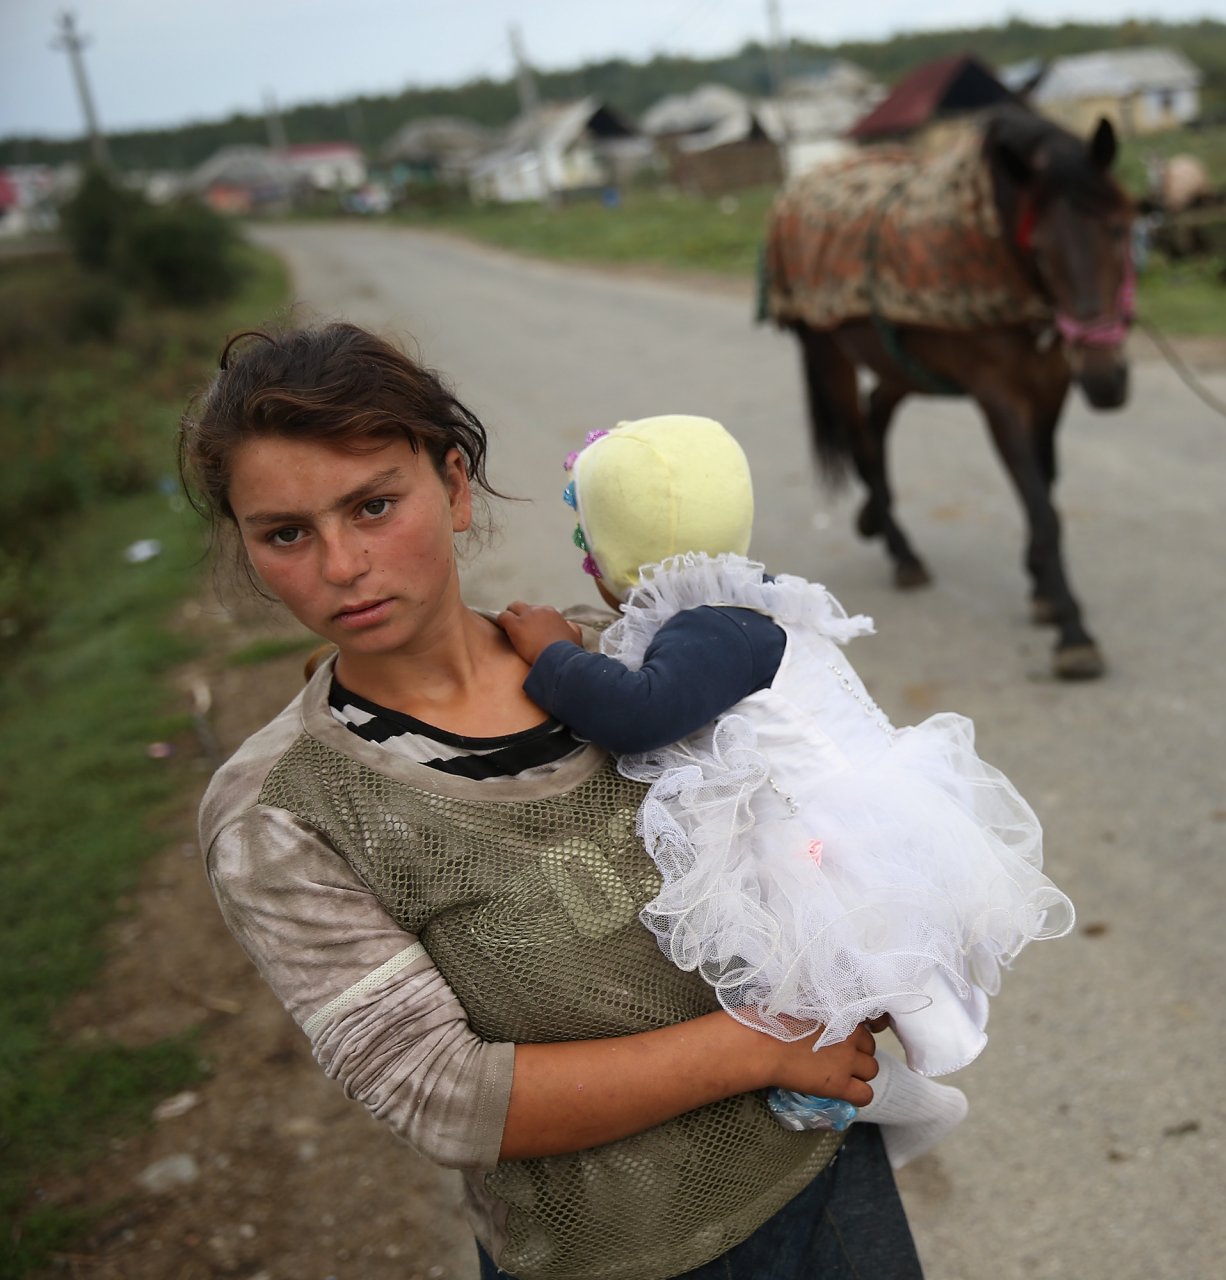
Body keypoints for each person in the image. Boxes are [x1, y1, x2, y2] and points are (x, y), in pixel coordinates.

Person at [185, 323, 925, 1280]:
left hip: (827, 1189)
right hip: (609, 1253)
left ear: (453, 488)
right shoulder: (283, 811)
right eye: (286, 534)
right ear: (248, 548)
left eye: (373, 506)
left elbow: (825, 834)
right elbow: (444, 1094)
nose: (340, 565)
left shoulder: (629, 669)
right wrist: (759, 1048)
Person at [491, 415, 1073, 1097]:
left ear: (614, 557)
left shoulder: (709, 630)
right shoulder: (740, 609)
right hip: (848, 819)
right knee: (865, 956)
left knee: (842, 956)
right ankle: (872, 1056)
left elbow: (634, 715)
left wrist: (554, 654)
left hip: (824, 839)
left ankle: (864, 1069)